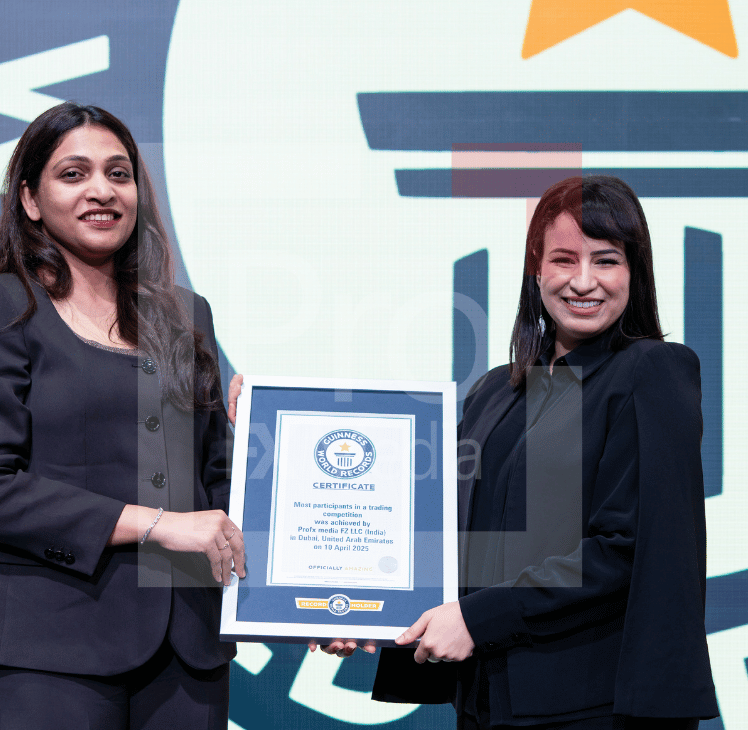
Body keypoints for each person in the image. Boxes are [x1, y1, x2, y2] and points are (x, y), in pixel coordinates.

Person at [272, 175, 719, 728]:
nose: (583, 281)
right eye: (563, 260)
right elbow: (433, 527)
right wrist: (359, 604)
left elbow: (626, 548)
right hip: (486, 698)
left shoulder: (651, 370)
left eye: (606, 261)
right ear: (536, 270)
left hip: (591, 705)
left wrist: (477, 619)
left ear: (635, 272)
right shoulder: (495, 391)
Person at [0, 102, 244, 730]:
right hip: (50, 653)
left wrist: (260, 441)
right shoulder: (0, 306)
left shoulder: (187, 316)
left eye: (118, 173)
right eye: (73, 174)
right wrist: (156, 525)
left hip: (189, 657)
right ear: (30, 199)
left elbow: (216, 484)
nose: (102, 191)